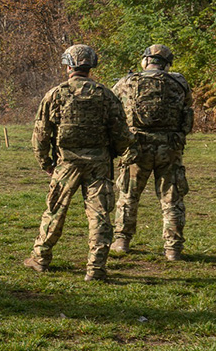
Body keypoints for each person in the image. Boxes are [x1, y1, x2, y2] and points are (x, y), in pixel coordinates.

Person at [24, 44, 134, 282]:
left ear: (68, 66)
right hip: (99, 163)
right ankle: (95, 269)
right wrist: (112, 154)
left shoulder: (55, 94)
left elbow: (41, 134)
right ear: (90, 66)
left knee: (55, 210)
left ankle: (40, 259)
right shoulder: (106, 95)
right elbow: (122, 135)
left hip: (66, 163)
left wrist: (46, 163)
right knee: (100, 215)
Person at [111, 44, 194, 260]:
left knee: (128, 195)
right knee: (171, 198)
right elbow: (187, 112)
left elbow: (112, 106)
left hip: (137, 147)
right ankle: (173, 248)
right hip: (170, 147)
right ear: (167, 64)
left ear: (145, 61)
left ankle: (121, 241)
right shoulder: (179, 82)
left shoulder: (128, 81)